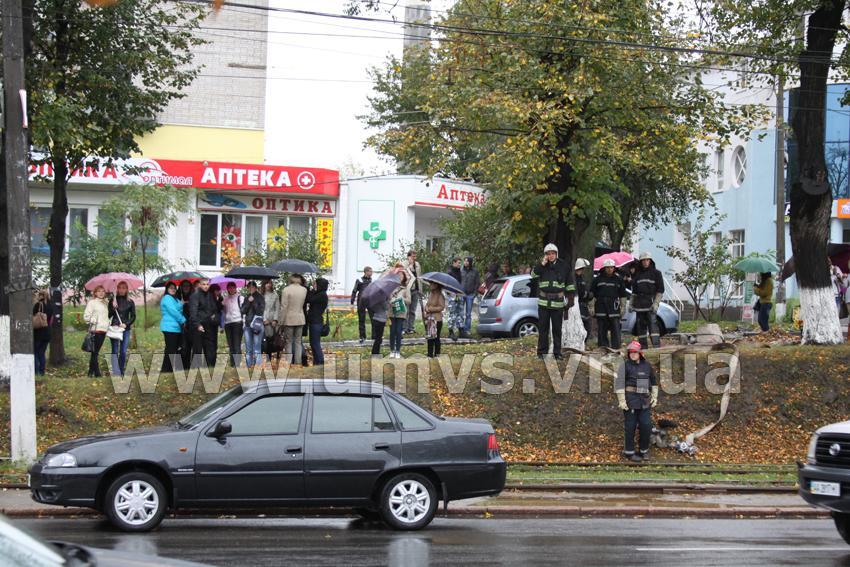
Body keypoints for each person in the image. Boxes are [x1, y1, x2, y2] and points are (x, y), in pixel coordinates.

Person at [615, 340, 659, 462]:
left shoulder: (647, 365)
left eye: (635, 352)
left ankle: (644, 451)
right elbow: (619, 384)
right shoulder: (625, 365)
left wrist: (654, 397)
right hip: (631, 401)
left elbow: (654, 382)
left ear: (640, 353)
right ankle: (629, 452)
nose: (633, 354)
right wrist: (622, 400)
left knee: (646, 425)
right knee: (630, 426)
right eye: (630, 352)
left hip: (644, 400)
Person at [529, 243, 575, 359]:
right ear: (546, 255)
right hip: (543, 303)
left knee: (556, 330)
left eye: (552, 253)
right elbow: (533, 275)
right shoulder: (542, 266)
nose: (550, 256)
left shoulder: (564, 266)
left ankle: (557, 353)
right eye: (548, 254)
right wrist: (541, 264)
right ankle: (541, 353)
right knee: (543, 330)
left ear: (556, 254)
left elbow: (569, 283)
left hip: (558, 303)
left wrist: (570, 298)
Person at [590, 259, 628, 349]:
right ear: (604, 268)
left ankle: (616, 349)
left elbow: (623, 295)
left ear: (614, 268)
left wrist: (623, 307)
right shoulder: (597, 279)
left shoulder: (618, 280)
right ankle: (603, 349)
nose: (610, 269)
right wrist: (591, 307)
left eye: (611, 267)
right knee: (602, 330)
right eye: (608, 268)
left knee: (615, 329)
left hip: (613, 308)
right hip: (601, 307)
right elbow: (592, 294)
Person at [631, 252, 665, 349]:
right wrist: (631, 304)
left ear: (650, 261)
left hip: (650, 304)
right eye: (644, 260)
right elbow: (634, 292)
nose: (646, 262)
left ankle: (656, 347)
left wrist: (656, 303)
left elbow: (660, 290)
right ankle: (643, 348)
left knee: (653, 326)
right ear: (641, 262)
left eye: (647, 260)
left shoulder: (656, 273)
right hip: (639, 305)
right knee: (640, 328)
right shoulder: (637, 275)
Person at [189, 278, 219, 368]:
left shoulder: (210, 295)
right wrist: (197, 325)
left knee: (209, 347)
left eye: (207, 284)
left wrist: (214, 316)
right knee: (197, 348)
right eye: (204, 284)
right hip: (199, 325)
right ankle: (195, 368)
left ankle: (210, 367)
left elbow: (214, 308)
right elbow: (193, 312)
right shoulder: (195, 295)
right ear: (200, 285)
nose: (206, 286)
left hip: (209, 325)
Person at [108, 281, 136, 376]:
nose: (121, 290)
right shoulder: (112, 300)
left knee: (123, 351)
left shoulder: (130, 302)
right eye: (119, 287)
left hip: (125, 329)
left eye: (124, 288)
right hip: (115, 328)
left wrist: (126, 324)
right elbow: (109, 315)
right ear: (117, 289)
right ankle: (116, 372)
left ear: (127, 289)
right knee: (115, 350)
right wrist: (113, 307)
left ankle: (121, 370)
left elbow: (133, 316)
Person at [279, 274, 308, 366]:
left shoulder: (286, 290)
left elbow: (284, 307)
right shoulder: (304, 290)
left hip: (289, 319)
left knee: (289, 342)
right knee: (298, 342)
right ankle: (298, 362)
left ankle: (289, 362)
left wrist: (281, 321)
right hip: (300, 318)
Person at [83, 285, 109, 377]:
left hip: (103, 330)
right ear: (95, 293)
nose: (101, 293)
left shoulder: (106, 303)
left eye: (103, 291)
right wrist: (92, 319)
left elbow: (107, 317)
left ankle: (90, 372)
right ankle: (97, 373)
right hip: (95, 330)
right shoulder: (92, 303)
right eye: (99, 291)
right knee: (95, 352)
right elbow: (86, 316)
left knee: (95, 352)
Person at [160, 282, 186, 373]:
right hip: (169, 327)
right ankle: (165, 370)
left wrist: (183, 303)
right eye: (171, 288)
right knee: (170, 350)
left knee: (172, 349)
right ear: (167, 289)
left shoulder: (175, 299)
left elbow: (179, 306)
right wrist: (183, 320)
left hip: (175, 328)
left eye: (174, 288)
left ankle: (168, 369)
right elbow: (173, 311)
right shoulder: (167, 298)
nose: (173, 289)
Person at [240, 281, 265, 368]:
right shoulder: (247, 298)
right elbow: (242, 311)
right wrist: (248, 302)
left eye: (252, 287)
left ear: (255, 287)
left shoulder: (260, 297)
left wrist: (253, 302)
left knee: (257, 348)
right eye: (248, 288)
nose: (250, 289)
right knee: (248, 349)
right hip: (247, 325)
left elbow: (260, 311)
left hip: (257, 325)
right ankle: (249, 366)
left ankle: (257, 367)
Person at [389, 268, 411, 358]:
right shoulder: (391, 288)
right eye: (398, 275)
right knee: (392, 332)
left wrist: (401, 300)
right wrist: (391, 301)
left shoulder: (406, 289)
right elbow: (388, 298)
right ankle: (392, 350)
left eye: (401, 275)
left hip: (401, 313)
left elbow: (409, 301)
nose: (400, 276)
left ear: (404, 277)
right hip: (392, 312)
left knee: (398, 331)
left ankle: (398, 350)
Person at [307, 278, 329, 366]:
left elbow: (309, 299)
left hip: (316, 322)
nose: (314, 286)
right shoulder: (320, 294)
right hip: (315, 321)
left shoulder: (322, 295)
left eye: (315, 284)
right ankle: (317, 361)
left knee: (315, 343)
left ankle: (320, 362)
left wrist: (312, 290)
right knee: (313, 343)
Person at [222, 282, 244, 367]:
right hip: (228, 323)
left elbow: (244, 311)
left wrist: (244, 322)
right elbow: (223, 311)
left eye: (232, 287)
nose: (231, 289)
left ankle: (237, 364)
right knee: (231, 345)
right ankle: (232, 364)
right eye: (229, 288)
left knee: (237, 344)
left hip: (238, 322)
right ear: (227, 289)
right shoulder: (225, 299)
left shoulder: (240, 298)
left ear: (235, 288)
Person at [32, 290, 54, 376]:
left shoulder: (38, 305)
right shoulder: (50, 306)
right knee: (42, 353)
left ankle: (36, 372)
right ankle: (42, 372)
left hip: (38, 333)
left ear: (40, 296)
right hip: (47, 333)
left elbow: (33, 315)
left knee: (35, 353)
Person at [351, 266, 373, 344]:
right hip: (361, 302)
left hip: (370, 301)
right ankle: (362, 336)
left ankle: (374, 336)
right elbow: (354, 291)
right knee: (361, 320)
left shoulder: (371, 281)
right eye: (370, 271)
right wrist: (352, 302)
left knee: (373, 319)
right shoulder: (359, 280)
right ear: (366, 272)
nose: (372, 273)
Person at [259, 280, 280, 362]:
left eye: (270, 283)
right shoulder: (260, 295)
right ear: (264, 284)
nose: (268, 285)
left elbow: (277, 308)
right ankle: (259, 360)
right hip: (260, 320)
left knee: (270, 339)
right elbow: (259, 308)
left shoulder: (275, 295)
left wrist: (275, 319)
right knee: (260, 340)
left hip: (271, 321)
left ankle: (269, 359)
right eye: (266, 283)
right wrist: (263, 319)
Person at [460, 256, 480, 338]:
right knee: (460, 312)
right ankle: (460, 329)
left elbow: (477, 282)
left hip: (470, 294)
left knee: (468, 314)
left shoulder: (475, 271)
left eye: (467, 261)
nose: (465, 262)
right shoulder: (461, 270)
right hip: (462, 293)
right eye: (464, 261)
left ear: (470, 262)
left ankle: (467, 329)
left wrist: (475, 293)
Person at [425, 283, 446, 358]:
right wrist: (426, 307)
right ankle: (429, 354)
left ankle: (437, 354)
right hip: (430, 319)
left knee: (436, 337)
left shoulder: (440, 295)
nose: (430, 285)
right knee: (429, 337)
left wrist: (430, 309)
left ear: (436, 285)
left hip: (437, 319)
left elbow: (441, 307)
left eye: (432, 284)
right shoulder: (431, 294)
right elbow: (428, 304)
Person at [574, 258, 592, 344]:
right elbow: (581, 293)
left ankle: (582, 344)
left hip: (584, 306)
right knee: (581, 327)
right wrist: (588, 295)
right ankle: (579, 344)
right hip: (578, 306)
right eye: (582, 268)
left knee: (587, 327)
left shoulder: (581, 278)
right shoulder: (575, 279)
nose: (583, 270)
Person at [177, 279, 195, 370]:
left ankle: (190, 367)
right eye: (184, 286)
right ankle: (184, 367)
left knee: (191, 346)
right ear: (181, 287)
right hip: (181, 325)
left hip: (192, 325)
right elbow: (175, 311)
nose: (186, 288)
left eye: (188, 286)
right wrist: (182, 304)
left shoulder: (193, 296)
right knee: (183, 347)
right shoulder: (177, 297)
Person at [404, 250, 423, 334]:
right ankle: (404, 328)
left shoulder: (417, 264)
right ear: (408, 256)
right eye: (413, 256)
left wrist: (420, 290)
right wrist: (410, 266)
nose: (414, 258)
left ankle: (410, 327)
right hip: (407, 290)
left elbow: (419, 277)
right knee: (406, 310)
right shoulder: (404, 264)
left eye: (415, 256)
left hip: (415, 290)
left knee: (412, 310)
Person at [446, 257, 464, 341]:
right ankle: (451, 331)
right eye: (458, 263)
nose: (460, 265)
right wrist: (449, 293)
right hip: (452, 294)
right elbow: (446, 284)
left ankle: (461, 330)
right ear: (454, 263)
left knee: (460, 312)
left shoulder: (459, 272)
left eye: (460, 263)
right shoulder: (450, 272)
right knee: (452, 313)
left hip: (459, 294)